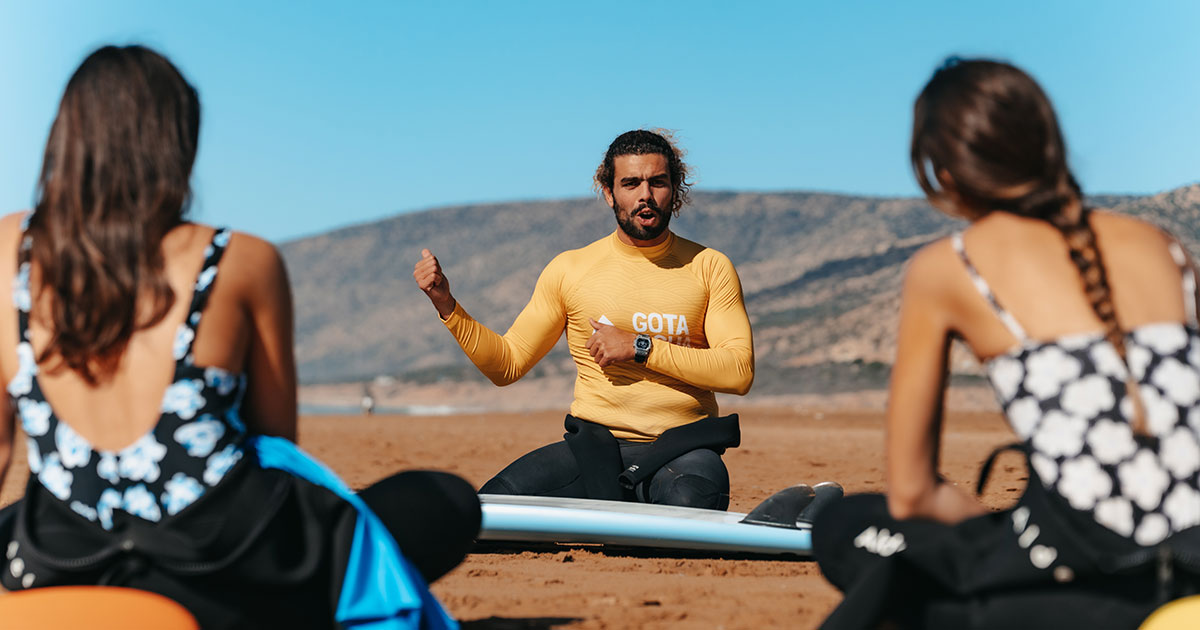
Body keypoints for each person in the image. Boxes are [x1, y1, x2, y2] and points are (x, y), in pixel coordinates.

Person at [0, 45, 479, 630]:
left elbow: (1, 449)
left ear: (67, 136)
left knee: (20, 515)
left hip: (63, 565)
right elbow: (277, 444)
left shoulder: (8, 252)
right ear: (177, 143)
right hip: (225, 579)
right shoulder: (241, 261)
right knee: (442, 503)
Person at [811, 58, 1200, 629]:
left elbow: (914, 496)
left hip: (1097, 587)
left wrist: (1009, 533)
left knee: (844, 526)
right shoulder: (1164, 247)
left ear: (941, 170)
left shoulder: (951, 265)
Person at [413, 130, 754, 509]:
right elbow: (507, 365)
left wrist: (641, 347)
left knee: (691, 502)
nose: (645, 195)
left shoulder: (709, 267)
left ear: (674, 190)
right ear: (609, 192)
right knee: (493, 509)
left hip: (683, 450)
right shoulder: (570, 270)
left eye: (657, 182)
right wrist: (447, 305)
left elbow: (738, 372)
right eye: (630, 183)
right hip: (595, 447)